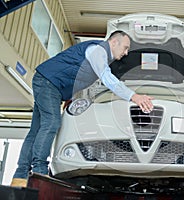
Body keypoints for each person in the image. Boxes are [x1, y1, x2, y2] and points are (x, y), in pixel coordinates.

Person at [10, 30, 154, 187]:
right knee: (51, 123)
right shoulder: (98, 50)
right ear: (114, 42)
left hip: (49, 84)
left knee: (36, 130)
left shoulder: (98, 55)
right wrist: (135, 97)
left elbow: (80, 80)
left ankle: (20, 176)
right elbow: (108, 78)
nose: (126, 53)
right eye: (125, 47)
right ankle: (40, 171)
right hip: (49, 83)